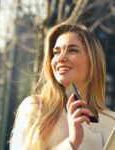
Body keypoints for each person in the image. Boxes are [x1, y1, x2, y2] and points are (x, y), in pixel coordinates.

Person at [10, 22, 115, 150]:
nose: (61, 58)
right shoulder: (35, 109)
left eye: (72, 50)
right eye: (56, 52)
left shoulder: (112, 122)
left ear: (93, 61)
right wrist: (71, 142)